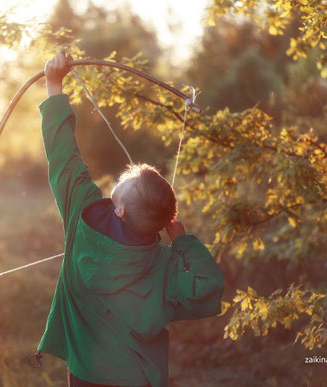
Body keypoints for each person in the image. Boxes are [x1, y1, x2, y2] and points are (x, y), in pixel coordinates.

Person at [36, 52, 224, 387]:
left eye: (125, 182)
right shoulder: (166, 264)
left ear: (119, 209)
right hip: (139, 378)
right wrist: (182, 242)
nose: (120, 180)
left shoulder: (82, 209)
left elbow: (63, 155)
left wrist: (54, 85)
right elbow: (208, 290)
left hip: (85, 373)